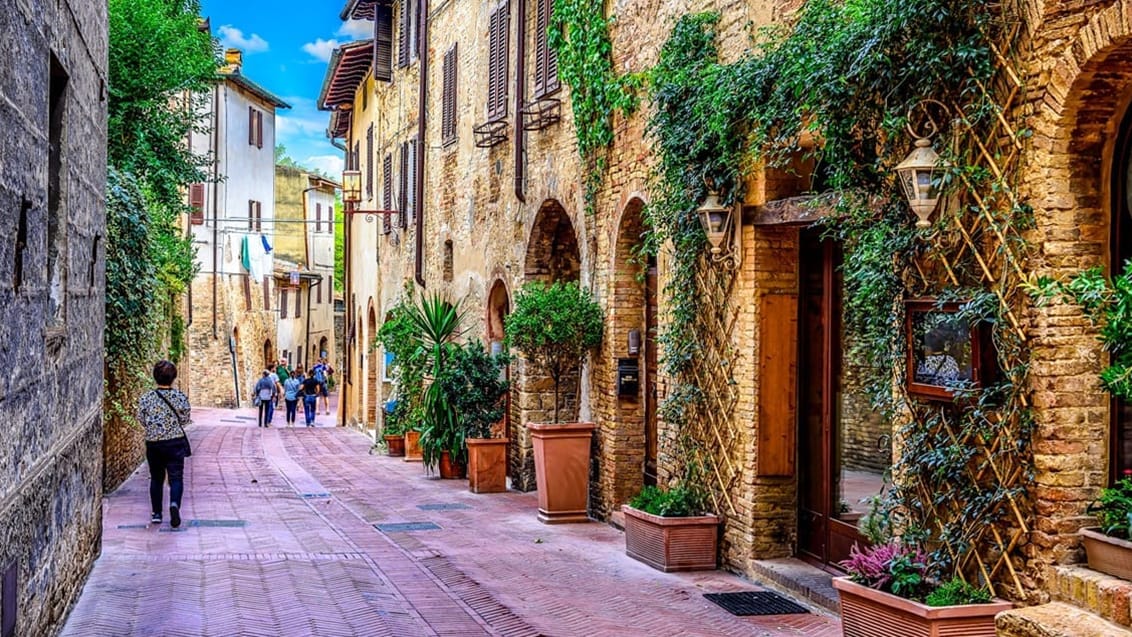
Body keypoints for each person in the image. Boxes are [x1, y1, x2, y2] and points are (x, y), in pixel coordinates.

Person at [137, 360, 192, 528]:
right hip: (174, 442)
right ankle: (174, 504)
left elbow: (142, 419)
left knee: (156, 478)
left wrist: (154, 428)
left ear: (155, 377)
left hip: (154, 443)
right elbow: (185, 419)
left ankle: (157, 513)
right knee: (176, 477)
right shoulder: (180, 397)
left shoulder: (147, 398)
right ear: (173, 378)